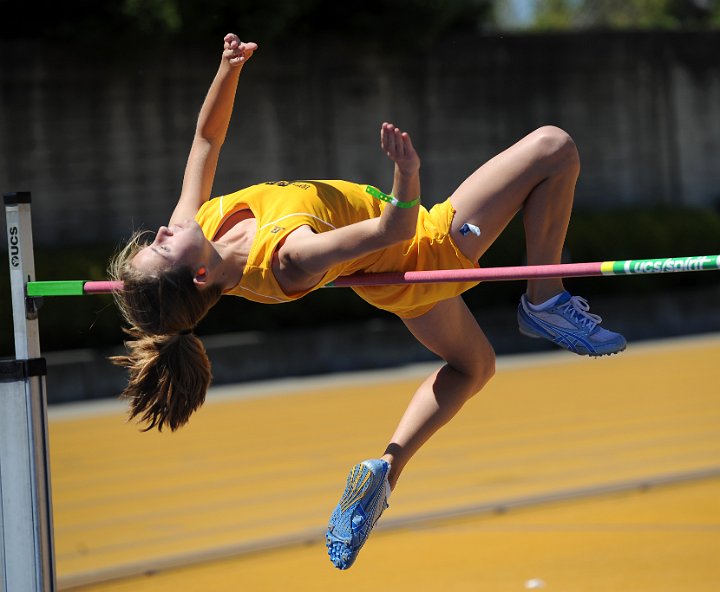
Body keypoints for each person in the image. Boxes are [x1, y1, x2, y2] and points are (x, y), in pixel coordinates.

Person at [109, 33, 626, 570]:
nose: (161, 233)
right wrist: (407, 173)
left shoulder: (200, 227)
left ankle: (384, 474)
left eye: (153, 240)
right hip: (427, 251)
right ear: (196, 275)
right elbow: (394, 226)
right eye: (160, 248)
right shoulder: (288, 258)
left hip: (394, 280)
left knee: (474, 366)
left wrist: (228, 69)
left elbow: (205, 143)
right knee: (553, 147)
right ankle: (544, 298)